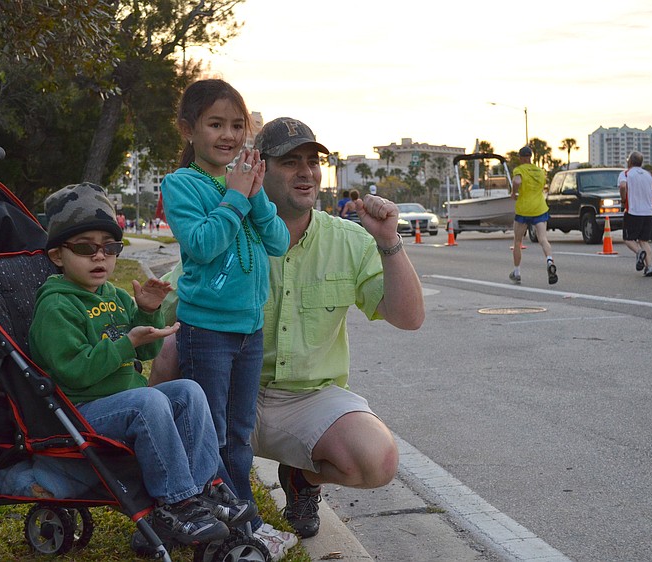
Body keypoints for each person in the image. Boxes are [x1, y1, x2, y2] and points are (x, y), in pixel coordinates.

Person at [151, 117, 425, 553]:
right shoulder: (231, 231)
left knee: (378, 459)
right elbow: (164, 308)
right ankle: (166, 496)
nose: (306, 172)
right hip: (227, 392)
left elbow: (409, 318)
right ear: (258, 168)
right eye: (290, 162)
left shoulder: (349, 239)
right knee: (171, 348)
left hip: (306, 400)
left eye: (313, 162)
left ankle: (301, 477)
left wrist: (389, 242)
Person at [28, 182, 257, 548]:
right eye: (86, 248)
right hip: (80, 409)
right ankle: (175, 504)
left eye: (110, 247)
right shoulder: (56, 305)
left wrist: (147, 313)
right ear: (57, 255)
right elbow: (75, 370)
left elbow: (144, 355)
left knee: (188, 391)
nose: (100, 257)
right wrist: (127, 342)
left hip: (122, 403)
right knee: (148, 401)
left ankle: (202, 490)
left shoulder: (115, 296)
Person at [158, 79, 291, 550]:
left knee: (239, 434)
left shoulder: (243, 184)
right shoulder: (181, 184)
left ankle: (242, 520)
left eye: (237, 125)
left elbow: (278, 241)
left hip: (249, 329)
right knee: (209, 432)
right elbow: (202, 245)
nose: (229, 135)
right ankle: (220, 523)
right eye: (216, 124)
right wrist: (234, 197)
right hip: (208, 330)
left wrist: (254, 195)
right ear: (188, 129)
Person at [509, 145, 557, 285]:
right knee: (543, 239)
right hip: (539, 208)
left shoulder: (519, 170)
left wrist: (514, 192)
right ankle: (549, 261)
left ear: (520, 158)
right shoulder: (540, 171)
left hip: (524, 209)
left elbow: (517, 181)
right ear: (531, 157)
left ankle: (517, 272)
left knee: (517, 241)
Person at [619, 151, 652, 277]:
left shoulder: (625, 174)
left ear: (630, 161)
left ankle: (639, 252)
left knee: (628, 239)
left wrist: (623, 199)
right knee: (644, 240)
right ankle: (649, 267)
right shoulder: (649, 175)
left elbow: (622, 186)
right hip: (647, 212)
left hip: (633, 211)